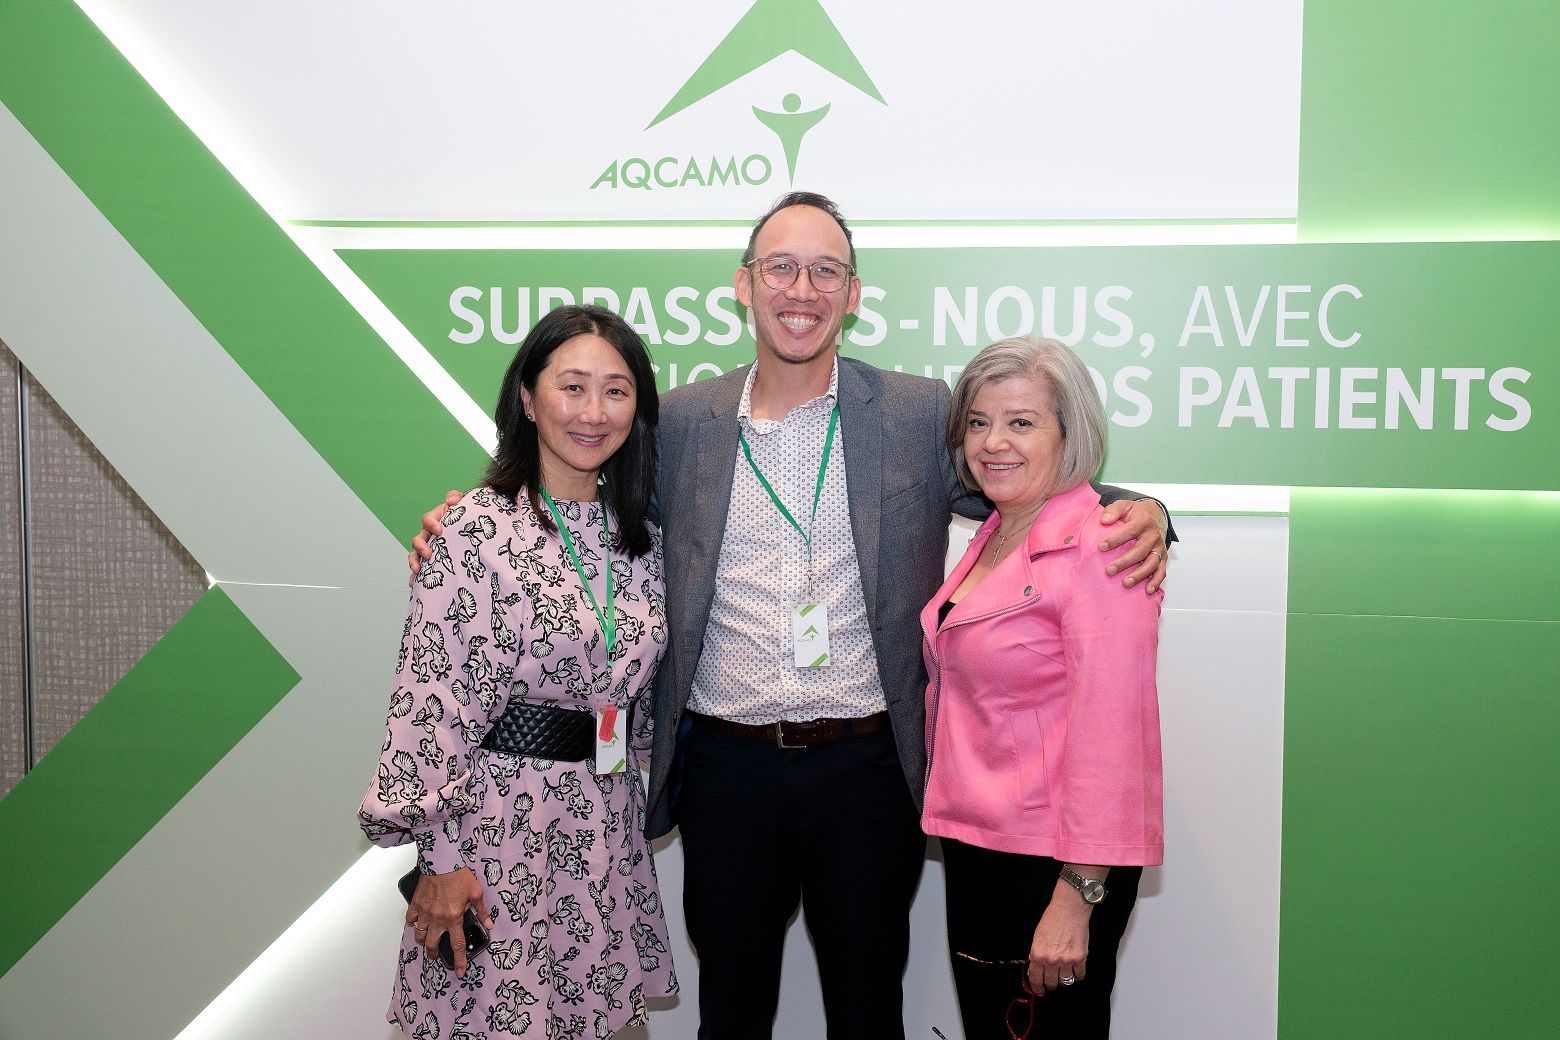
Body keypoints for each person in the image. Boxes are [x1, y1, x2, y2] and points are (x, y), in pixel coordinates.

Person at [412, 192, 1171, 1040]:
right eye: (780, 267)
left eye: (825, 271)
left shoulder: (917, 413)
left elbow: (1023, 481)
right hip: (725, 769)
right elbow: (590, 502)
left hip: (866, 769)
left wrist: (1143, 510)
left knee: (868, 1011)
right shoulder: (685, 421)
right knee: (730, 1012)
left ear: (854, 294)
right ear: (744, 284)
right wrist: (473, 515)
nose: (800, 290)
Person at [361, 304, 677, 1040]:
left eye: (616, 391)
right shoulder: (475, 529)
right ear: (529, 399)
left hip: (601, 829)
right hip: (496, 834)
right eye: (572, 387)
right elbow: (430, 700)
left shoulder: (642, 541)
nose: (593, 412)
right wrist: (438, 858)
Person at [922, 336, 1164, 1039]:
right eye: (978, 422)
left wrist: (1078, 894)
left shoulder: (1103, 544)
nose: (993, 442)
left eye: (1021, 422)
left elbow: (1114, 736)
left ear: (1070, 434)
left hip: (1053, 864)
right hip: (980, 844)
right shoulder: (996, 531)